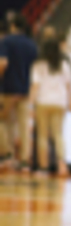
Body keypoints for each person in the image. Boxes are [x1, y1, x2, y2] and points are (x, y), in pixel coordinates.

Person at [30, 36, 71, 177]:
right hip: (60, 102)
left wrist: (31, 104)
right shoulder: (64, 65)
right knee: (58, 134)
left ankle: (43, 168)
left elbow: (35, 86)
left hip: (43, 102)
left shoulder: (38, 65)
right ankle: (62, 164)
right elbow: (69, 86)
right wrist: (70, 102)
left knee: (42, 136)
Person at [0, 13, 39, 172]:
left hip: (8, 89)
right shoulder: (32, 44)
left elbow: (3, 63)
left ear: (13, 26)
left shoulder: (6, 41)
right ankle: (24, 160)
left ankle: (7, 155)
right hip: (25, 89)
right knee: (23, 125)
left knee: (3, 122)